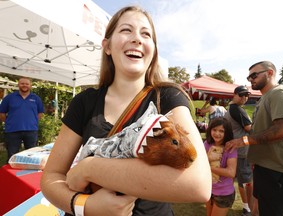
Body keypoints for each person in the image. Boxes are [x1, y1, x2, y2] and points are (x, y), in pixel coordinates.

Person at [41, 6, 211, 216]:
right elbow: (51, 177)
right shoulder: (84, 102)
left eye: (146, 34)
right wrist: (85, 206)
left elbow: (197, 185)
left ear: (153, 50)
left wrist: (90, 168)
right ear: (107, 46)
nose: (137, 39)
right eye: (126, 30)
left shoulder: (167, 98)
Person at [225, 61, 283, 216]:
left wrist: (246, 140)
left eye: (254, 75)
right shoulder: (264, 98)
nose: (251, 79)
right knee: (259, 210)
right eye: (249, 76)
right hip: (263, 167)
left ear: (270, 73)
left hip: (276, 170)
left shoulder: (279, 92)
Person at [224, 86, 254, 216]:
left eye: (247, 95)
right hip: (242, 151)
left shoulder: (230, 108)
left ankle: (234, 201)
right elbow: (250, 129)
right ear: (235, 95)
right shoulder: (237, 109)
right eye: (242, 95)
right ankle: (248, 208)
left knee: (236, 178)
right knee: (246, 180)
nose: (244, 98)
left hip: (235, 149)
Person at [0, 77, 44, 161]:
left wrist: (32, 122)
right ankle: (11, 173)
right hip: (12, 131)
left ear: (30, 85)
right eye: (22, 83)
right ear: (18, 85)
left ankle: (29, 173)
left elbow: (40, 113)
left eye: (27, 84)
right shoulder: (9, 98)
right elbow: (2, 113)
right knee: (12, 155)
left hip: (31, 131)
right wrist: (9, 122)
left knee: (31, 155)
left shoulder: (36, 98)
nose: (24, 85)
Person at [204, 117, 237, 216]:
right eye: (214, 130)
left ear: (226, 133)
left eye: (221, 131)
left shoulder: (230, 148)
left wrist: (207, 168)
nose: (217, 133)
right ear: (210, 130)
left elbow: (231, 172)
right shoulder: (207, 144)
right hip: (208, 189)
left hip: (224, 193)